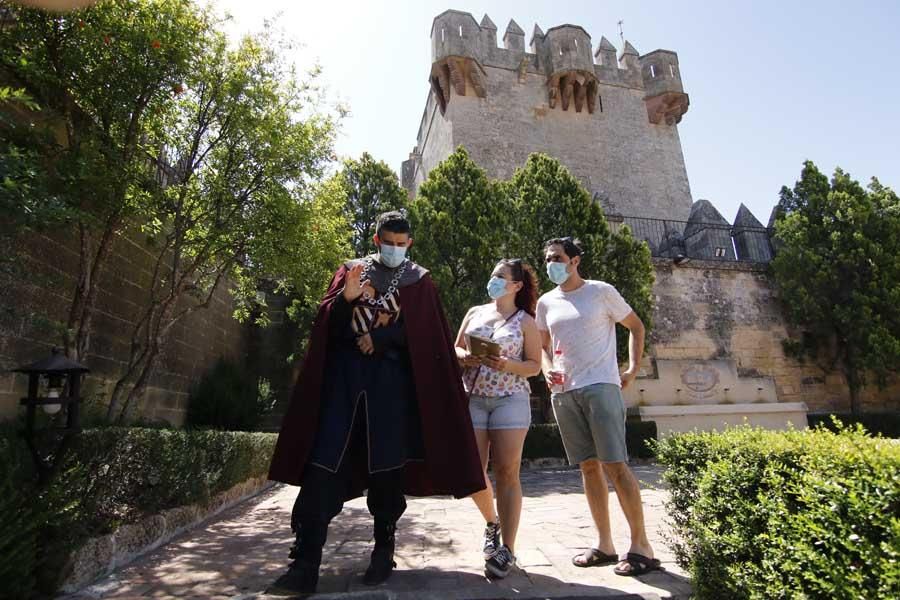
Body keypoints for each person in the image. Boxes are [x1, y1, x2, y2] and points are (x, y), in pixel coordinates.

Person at [267, 211, 485, 595]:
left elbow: (429, 337)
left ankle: (383, 551)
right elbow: (325, 328)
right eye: (389, 242)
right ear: (376, 240)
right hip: (344, 389)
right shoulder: (350, 271)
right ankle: (304, 564)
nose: (395, 249)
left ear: (410, 244)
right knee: (323, 467)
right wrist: (345, 301)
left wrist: (385, 339)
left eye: (402, 244)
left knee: (387, 473)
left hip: (391, 394)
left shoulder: (420, 282)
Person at [536, 237, 661, 577]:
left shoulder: (601, 291)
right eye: (548, 258)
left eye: (558, 257)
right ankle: (605, 544)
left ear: (575, 260)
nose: (552, 264)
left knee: (616, 466)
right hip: (565, 393)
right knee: (588, 468)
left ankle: (641, 546)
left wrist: (632, 369)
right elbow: (543, 347)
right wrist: (548, 373)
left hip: (601, 387)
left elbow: (635, 326)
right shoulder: (546, 302)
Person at [454, 259, 542, 578]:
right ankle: (492, 522)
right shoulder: (475, 312)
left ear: (516, 285)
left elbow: (534, 366)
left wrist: (506, 365)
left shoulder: (525, 322)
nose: (493, 279)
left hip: (510, 400)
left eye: (500, 276)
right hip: (474, 398)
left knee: (507, 472)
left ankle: (508, 549)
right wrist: (467, 357)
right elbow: (455, 349)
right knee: (474, 473)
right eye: (492, 274)